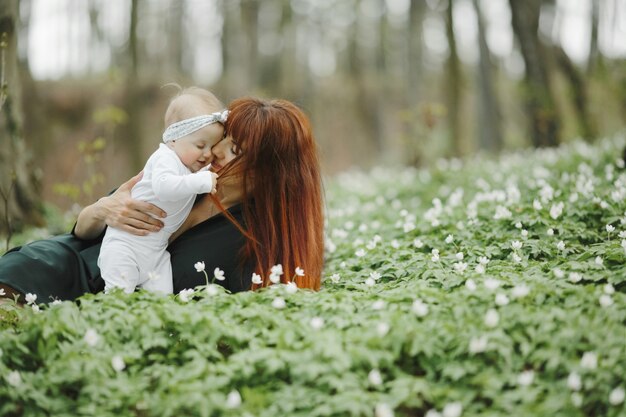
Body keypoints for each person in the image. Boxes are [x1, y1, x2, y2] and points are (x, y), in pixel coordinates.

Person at [0, 96, 324, 303]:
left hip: (98, 303)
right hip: (57, 267)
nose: (216, 153)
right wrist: (102, 209)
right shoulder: (187, 174)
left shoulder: (254, 238)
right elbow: (80, 232)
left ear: (269, 172)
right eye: (224, 140)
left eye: (235, 150)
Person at [98, 87, 223, 294]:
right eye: (201, 145)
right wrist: (202, 180)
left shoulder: (189, 165)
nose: (207, 154)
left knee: (163, 299)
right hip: (125, 247)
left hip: (156, 254)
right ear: (174, 138)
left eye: (212, 147)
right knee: (118, 296)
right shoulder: (165, 158)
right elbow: (165, 187)